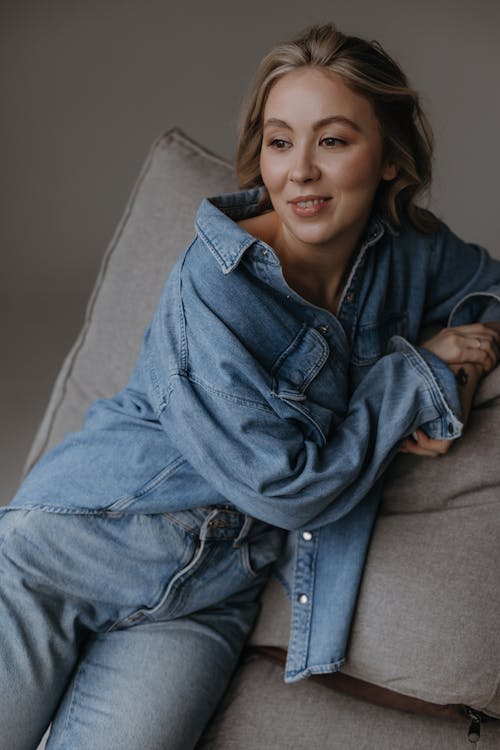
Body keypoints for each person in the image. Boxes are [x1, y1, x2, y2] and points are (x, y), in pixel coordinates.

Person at [1, 22, 500, 750]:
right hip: (77, 547)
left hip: (210, 595)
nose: (299, 171)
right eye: (279, 141)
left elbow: (488, 289)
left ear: (390, 157)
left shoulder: (409, 252)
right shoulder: (218, 287)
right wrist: (411, 380)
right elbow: (291, 487)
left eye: (332, 140)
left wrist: (461, 368)